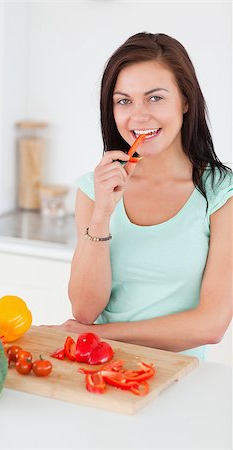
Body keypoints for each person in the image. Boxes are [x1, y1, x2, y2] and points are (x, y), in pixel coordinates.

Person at [58, 32, 233, 359]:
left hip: (180, 382)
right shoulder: (93, 190)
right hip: (102, 372)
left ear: (185, 100)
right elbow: (83, 310)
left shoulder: (221, 194)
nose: (138, 116)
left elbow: (211, 325)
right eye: (124, 100)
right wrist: (102, 214)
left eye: (155, 98)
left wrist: (97, 335)